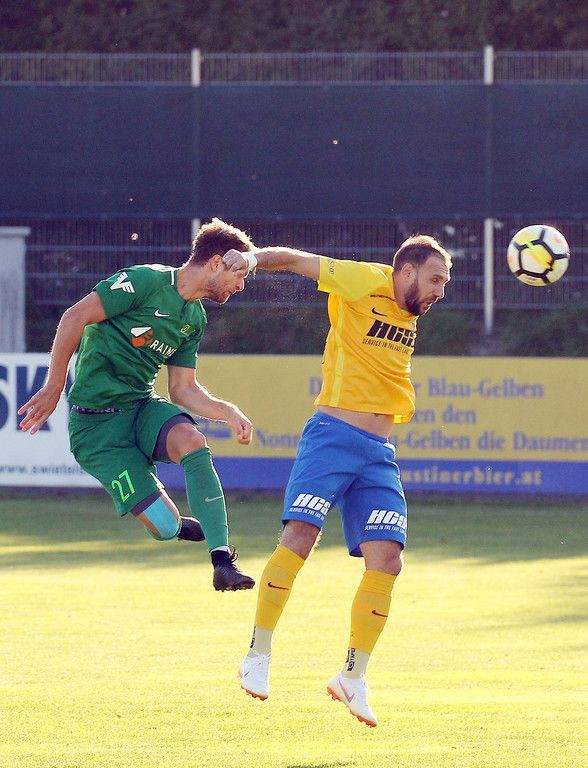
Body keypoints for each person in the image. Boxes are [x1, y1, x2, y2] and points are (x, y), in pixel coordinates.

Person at [223, 235, 452, 726]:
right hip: (332, 437)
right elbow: (294, 259)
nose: (440, 292)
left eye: (445, 283)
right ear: (406, 271)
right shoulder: (363, 280)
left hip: (377, 453)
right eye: (435, 280)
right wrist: (252, 258)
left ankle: (352, 677)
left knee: (387, 560)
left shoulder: (410, 309)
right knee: (301, 536)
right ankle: (257, 654)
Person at [18, 218, 257, 592]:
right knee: (163, 527)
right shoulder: (145, 281)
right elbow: (75, 316)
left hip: (140, 407)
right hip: (96, 432)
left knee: (192, 440)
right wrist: (54, 386)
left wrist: (227, 411)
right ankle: (178, 526)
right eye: (238, 274)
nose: (240, 285)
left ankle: (222, 562)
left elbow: (182, 390)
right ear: (216, 263)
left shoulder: (194, 319)